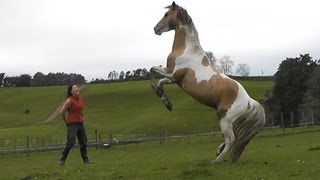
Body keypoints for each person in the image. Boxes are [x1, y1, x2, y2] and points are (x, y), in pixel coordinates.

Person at [58, 84, 93, 165]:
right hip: (72, 123)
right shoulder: (69, 100)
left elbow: (80, 109)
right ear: (71, 91)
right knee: (71, 142)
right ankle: (62, 159)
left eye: (77, 87)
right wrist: (65, 120)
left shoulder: (80, 99)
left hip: (80, 123)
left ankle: (86, 160)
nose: (77, 89)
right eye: (75, 88)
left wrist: (81, 115)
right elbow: (62, 112)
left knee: (83, 142)